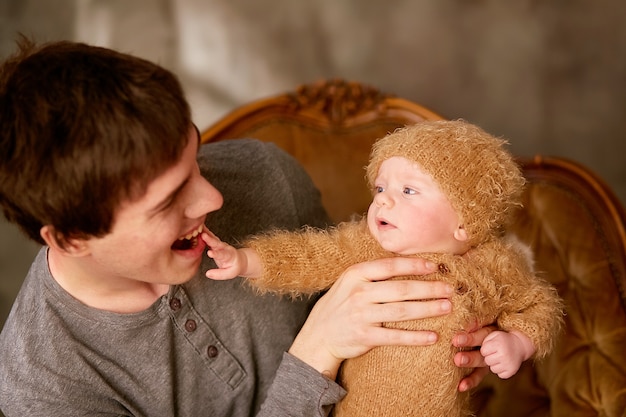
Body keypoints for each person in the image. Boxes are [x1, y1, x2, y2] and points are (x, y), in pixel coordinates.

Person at [0, 39, 494, 416]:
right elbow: (328, 339)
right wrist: (315, 351)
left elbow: (375, 288)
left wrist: (459, 335)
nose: (212, 198)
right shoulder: (42, 388)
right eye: (170, 200)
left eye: (194, 159)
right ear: (73, 238)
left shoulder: (264, 174)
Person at [204, 120, 564, 416]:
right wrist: (248, 260)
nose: (383, 199)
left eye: (408, 191)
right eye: (380, 187)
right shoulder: (367, 247)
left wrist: (517, 341)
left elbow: (539, 304)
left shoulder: (494, 266)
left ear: (464, 223)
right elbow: (312, 255)